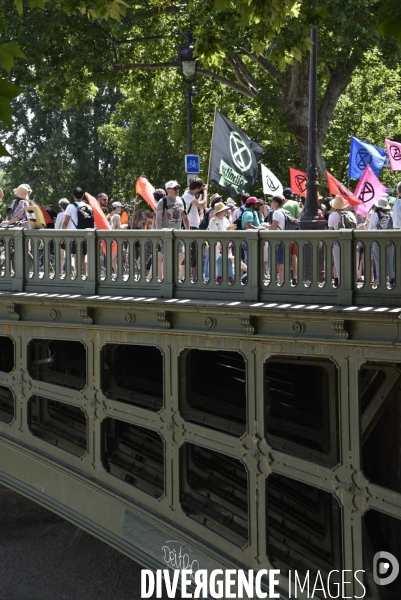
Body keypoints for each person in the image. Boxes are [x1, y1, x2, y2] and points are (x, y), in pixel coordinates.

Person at [155, 180, 189, 280]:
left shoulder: (181, 200)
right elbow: (158, 219)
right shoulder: (163, 201)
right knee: (167, 258)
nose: (177, 190)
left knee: (181, 256)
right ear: (168, 190)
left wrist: (188, 231)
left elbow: (185, 217)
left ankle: (173, 275)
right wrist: (159, 233)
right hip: (166, 234)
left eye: (178, 188)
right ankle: (166, 279)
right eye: (174, 188)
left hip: (178, 233)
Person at [62, 187, 94, 276]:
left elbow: (65, 223)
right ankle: (86, 274)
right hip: (86, 233)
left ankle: (77, 274)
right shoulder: (88, 206)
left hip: (76, 234)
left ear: (73, 196)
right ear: (83, 196)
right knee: (84, 255)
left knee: (76, 255)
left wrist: (62, 235)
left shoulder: (70, 207)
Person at [207, 201, 236, 284]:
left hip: (227, 245)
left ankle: (228, 279)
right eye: (224, 210)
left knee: (228, 262)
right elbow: (215, 234)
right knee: (218, 264)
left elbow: (228, 230)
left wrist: (231, 229)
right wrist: (227, 230)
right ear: (220, 211)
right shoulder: (213, 220)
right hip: (217, 247)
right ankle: (218, 281)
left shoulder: (226, 219)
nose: (226, 211)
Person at [369, 196, 394, 287]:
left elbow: (370, 229)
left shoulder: (375, 215)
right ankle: (392, 283)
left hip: (378, 242)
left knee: (379, 263)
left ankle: (381, 284)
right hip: (390, 241)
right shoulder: (391, 214)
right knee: (390, 263)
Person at [328, 195, 347, 287]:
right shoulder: (349, 214)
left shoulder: (332, 215)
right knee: (348, 262)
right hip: (349, 242)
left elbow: (330, 231)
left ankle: (340, 283)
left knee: (337, 262)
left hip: (337, 242)